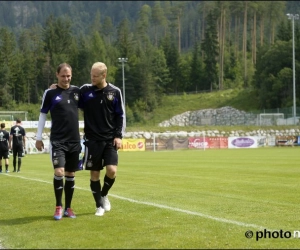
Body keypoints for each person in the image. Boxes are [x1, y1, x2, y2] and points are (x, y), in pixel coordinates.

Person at [35, 63, 82, 220]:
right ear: (57, 75)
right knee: (59, 172)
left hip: (75, 140)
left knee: (70, 173)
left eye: (68, 75)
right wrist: (38, 137)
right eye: (63, 75)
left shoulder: (77, 92)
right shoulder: (50, 93)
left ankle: (68, 208)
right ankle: (58, 207)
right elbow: (42, 115)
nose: (66, 78)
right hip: (58, 140)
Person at [79, 62, 126, 216]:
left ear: (103, 75)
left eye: (95, 76)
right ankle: (99, 206)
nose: (92, 78)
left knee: (112, 171)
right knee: (94, 175)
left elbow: (120, 115)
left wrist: (119, 136)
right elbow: (70, 96)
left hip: (110, 140)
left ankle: (104, 194)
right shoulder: (85, 91)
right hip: (92, 140)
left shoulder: (115, 91)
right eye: (91, 75)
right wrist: (55, 88)